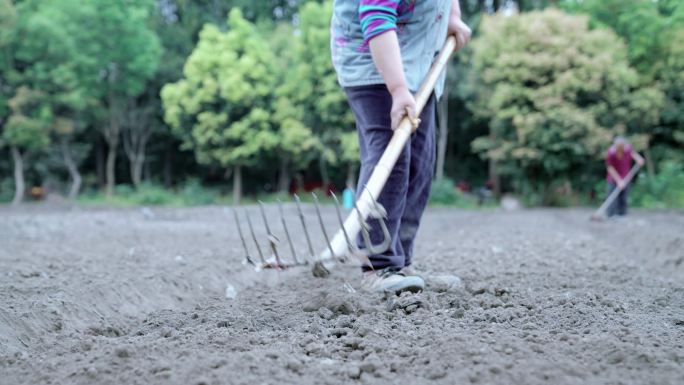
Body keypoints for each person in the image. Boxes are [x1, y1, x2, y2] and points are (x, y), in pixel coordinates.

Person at [330, 0, 471, 293]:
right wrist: (397, 89)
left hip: (421, 63)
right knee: (390, 159)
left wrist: (452, 17)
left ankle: (400, 262)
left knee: (420, 163)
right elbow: (377, 15)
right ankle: (377, 266)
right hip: (374, 63)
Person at [605, 136, 644, 217]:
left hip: (626, 176)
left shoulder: (627, 148)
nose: (621, 148)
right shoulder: (611, 153)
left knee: (624, 197)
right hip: (613, 178)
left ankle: (622, 214)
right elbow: (610, 168)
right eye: (619, 147)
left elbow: (632, 153)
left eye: (622, 146)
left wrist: (638, 158)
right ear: (616, 146)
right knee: (612, 197)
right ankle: (611, 215)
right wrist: (619, 180)